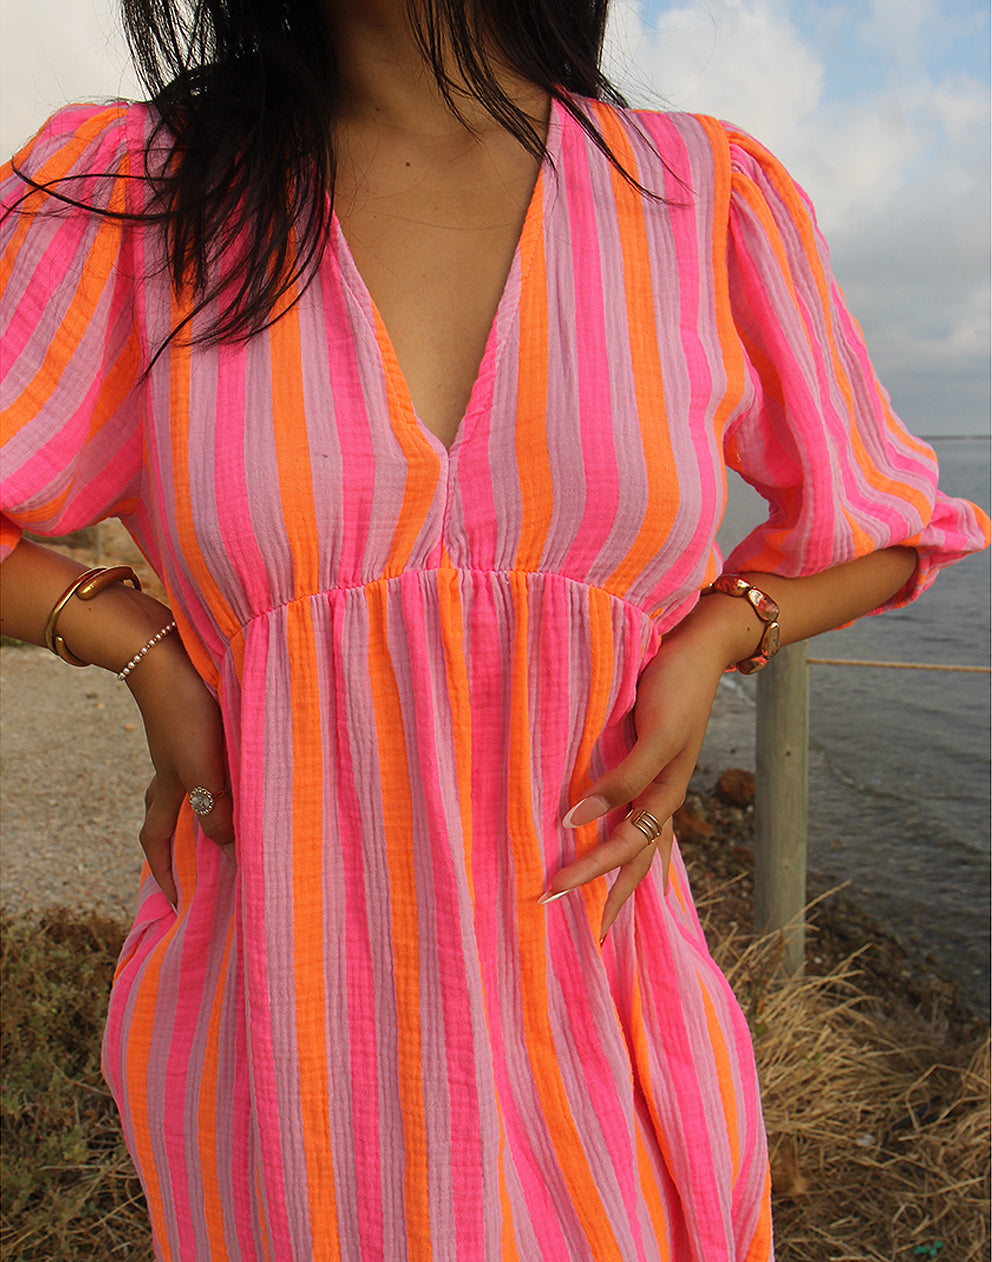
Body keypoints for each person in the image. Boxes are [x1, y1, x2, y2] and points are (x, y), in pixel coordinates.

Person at [1, 1, 988, 1257]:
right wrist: (136, 643)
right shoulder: (138, 196)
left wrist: (716, 631)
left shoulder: (699, 195)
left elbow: (901, 524)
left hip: (604, 1021)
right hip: (293, 1054)